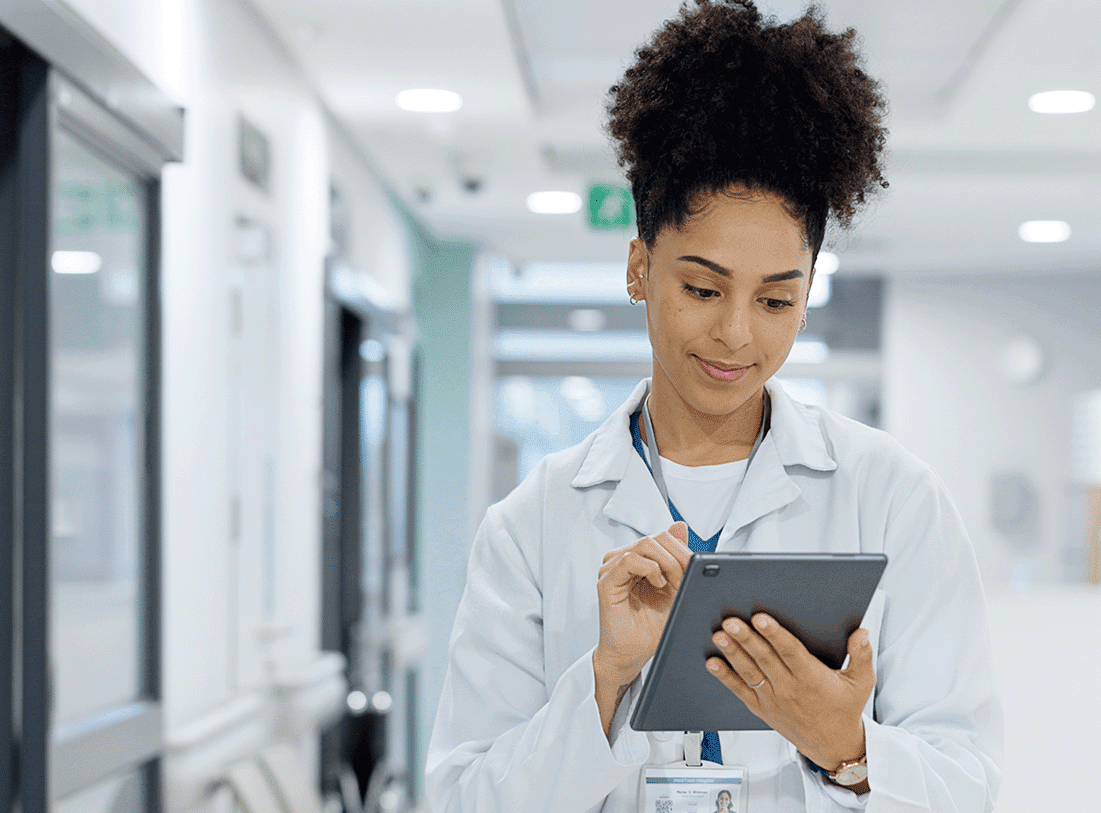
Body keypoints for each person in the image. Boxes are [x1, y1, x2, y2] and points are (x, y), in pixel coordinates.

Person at [426, 2, 1002, 810]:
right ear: (638, 267)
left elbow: (974, 786)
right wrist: (603, 681)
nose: (736, 334)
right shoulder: (534, 525)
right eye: (702, 288)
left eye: (776, 300)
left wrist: (847, 746)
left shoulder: (893, 499)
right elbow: (458, 798)